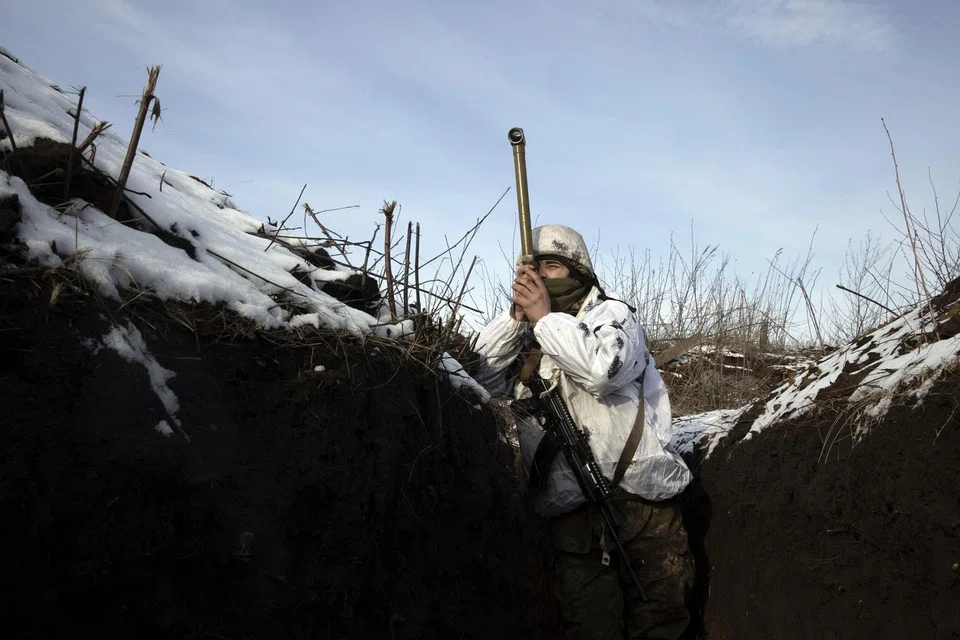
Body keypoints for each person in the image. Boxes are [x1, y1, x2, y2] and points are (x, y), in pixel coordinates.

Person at [472, 224, 695, 640]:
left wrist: (545, 319)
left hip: (640, 501)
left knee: (661, 619)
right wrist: (515, 320)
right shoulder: (527, 338)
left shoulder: (612, 317)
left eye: (551, 267)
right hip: (572, 515)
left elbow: (603, 371)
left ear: (579, 272)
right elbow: (476, 381)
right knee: (589, 626)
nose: (540, 278)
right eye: (532, 270)